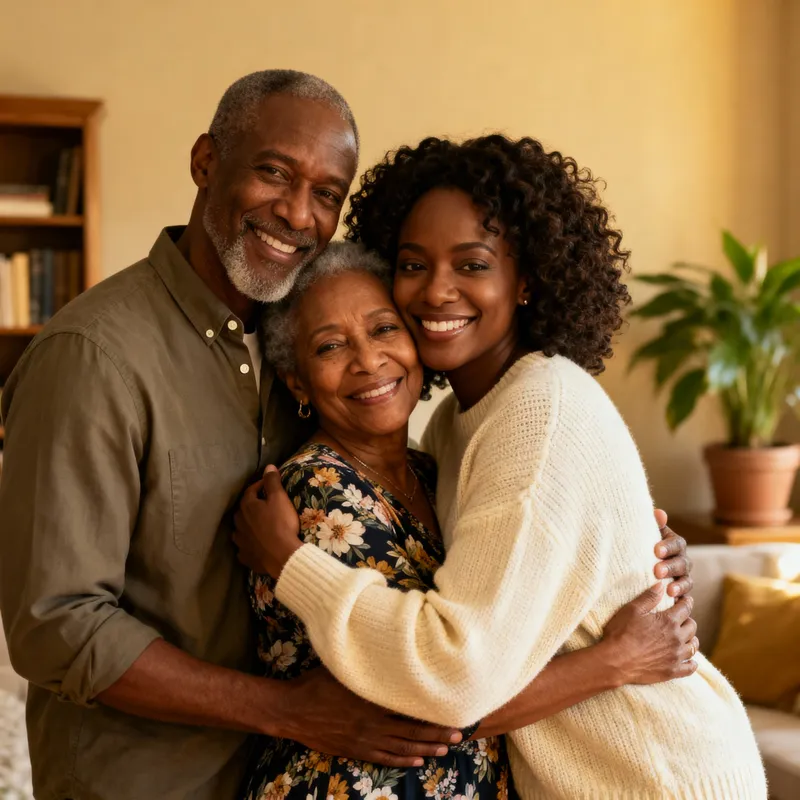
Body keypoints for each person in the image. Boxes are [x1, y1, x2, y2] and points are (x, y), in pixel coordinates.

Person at [235, 136, 767, 798]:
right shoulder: (450, 427)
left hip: (652, 775)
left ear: (526, 282)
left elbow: (454, 673)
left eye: (472, 264)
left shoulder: (537, 412)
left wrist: (293, 566)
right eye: (412, 263)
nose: (436, 291)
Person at [0, 71, 465, 800]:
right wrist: (288, 713)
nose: (297, 214)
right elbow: (54, 625)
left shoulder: (297, 354)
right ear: (206, 163)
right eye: (274, 173)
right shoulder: (91, 356)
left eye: (326, 194)